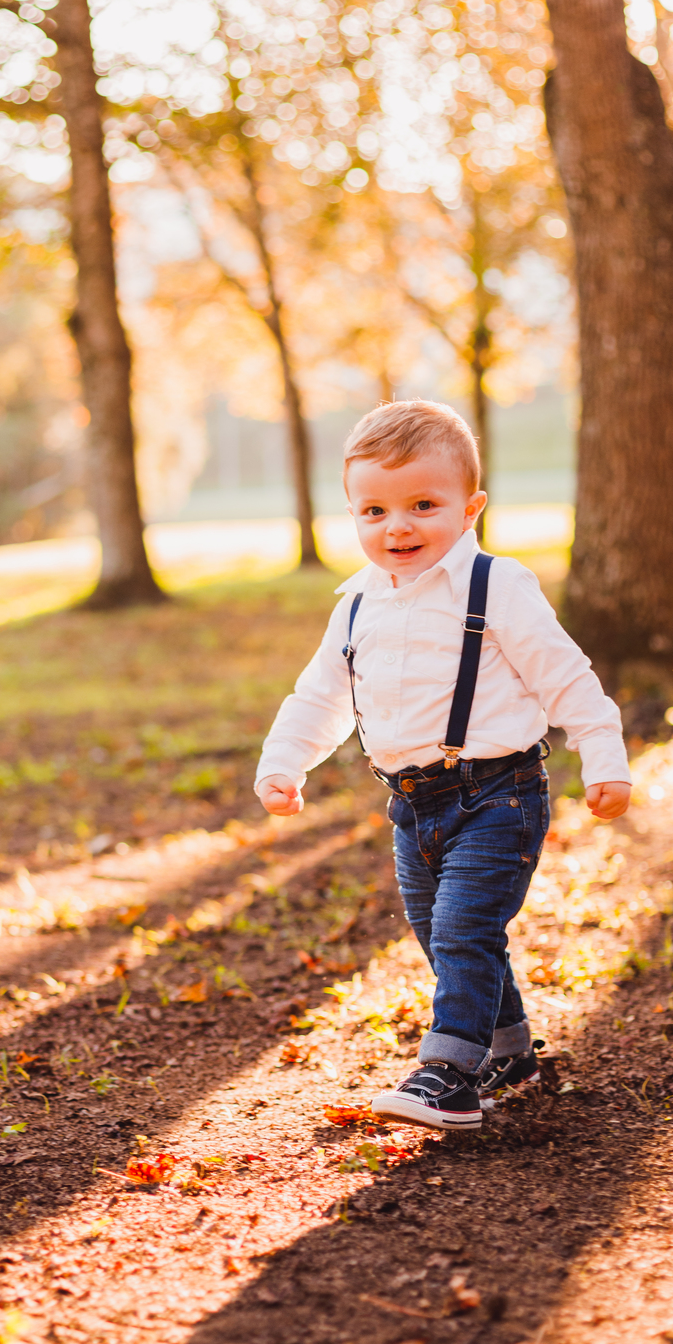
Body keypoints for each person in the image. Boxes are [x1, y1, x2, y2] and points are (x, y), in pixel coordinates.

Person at [255, 399, 631, 1131]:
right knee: (445, 935)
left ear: (471, 508)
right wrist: (284, 763)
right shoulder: (358, 602)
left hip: (499, 796)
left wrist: (605, 759)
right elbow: (322, 695)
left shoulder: (497, 587)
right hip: (412, 806)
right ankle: (510, 1049)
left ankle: (449, 1074)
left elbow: (568, 679)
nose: (397, 526)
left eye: (423, 504)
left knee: (463, 930)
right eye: (373, 511)